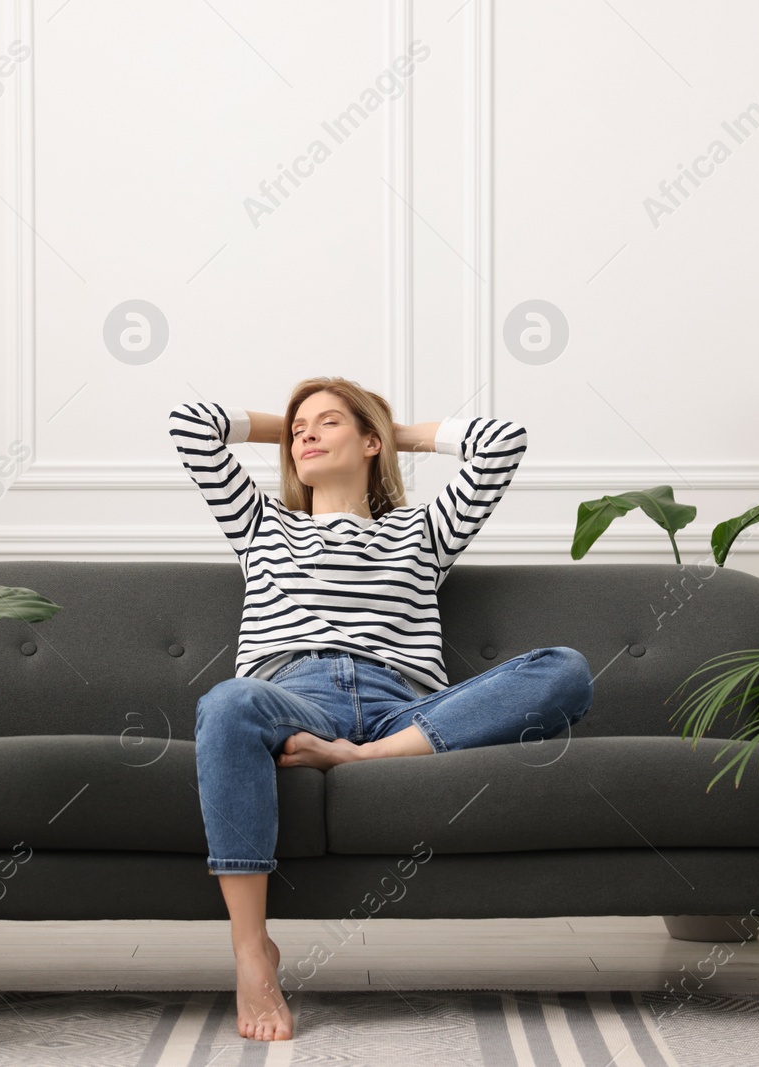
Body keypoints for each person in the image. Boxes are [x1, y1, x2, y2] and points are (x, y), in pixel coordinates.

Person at [166, 377, 594, 1042]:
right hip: (295, 697)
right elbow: (192, 424)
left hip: (408, 709)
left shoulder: (422, 530)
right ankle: (252, 953)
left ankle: (361, 759)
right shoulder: (261, 524)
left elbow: (502, 443)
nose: (304, 434)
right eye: (297, 428)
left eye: (326, 423)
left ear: (370, 443)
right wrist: (304, 423)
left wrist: (388, 429)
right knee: (225, 703)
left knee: (565, 669)